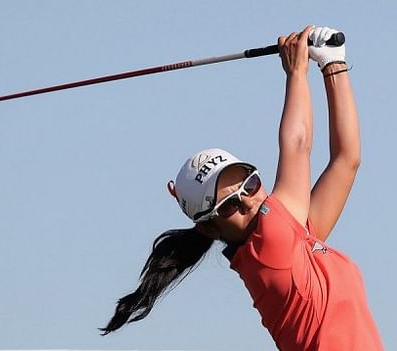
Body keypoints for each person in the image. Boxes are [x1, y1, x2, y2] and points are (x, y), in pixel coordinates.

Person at [100, 26, 383, 350]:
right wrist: (297, 71)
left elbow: (346, 160)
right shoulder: (272, 249)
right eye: (230, 204)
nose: (249, 200)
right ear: (208, 227)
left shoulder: (297, 239)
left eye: (250, 184)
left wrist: (333, 64)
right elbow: (298, 144)